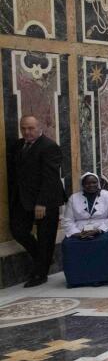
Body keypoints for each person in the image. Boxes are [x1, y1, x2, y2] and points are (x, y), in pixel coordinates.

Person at [7, 115, 64, 287]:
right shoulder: (18, 145)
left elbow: (50, 178)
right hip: (23, 199)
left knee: (46, 237)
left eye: (30, 128)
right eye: (23, 128)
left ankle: (40, 274)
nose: (27, 132)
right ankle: (43, 258)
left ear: (39, 128)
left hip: (46, 200)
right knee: (18, 230)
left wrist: (42, 203)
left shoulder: (49, 147)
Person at [60, 172, 108, 286]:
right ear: (83, 185)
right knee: (69, 244)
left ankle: (101, 278)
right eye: (87, 183)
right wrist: (76, 233)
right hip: (80, 230)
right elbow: (67, 219)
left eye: (94, 182)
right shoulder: (74, 198)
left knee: (103, 242)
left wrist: (99, 230)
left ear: (98, 183)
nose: (91, 185)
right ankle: (77, 279)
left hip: (105, 229)